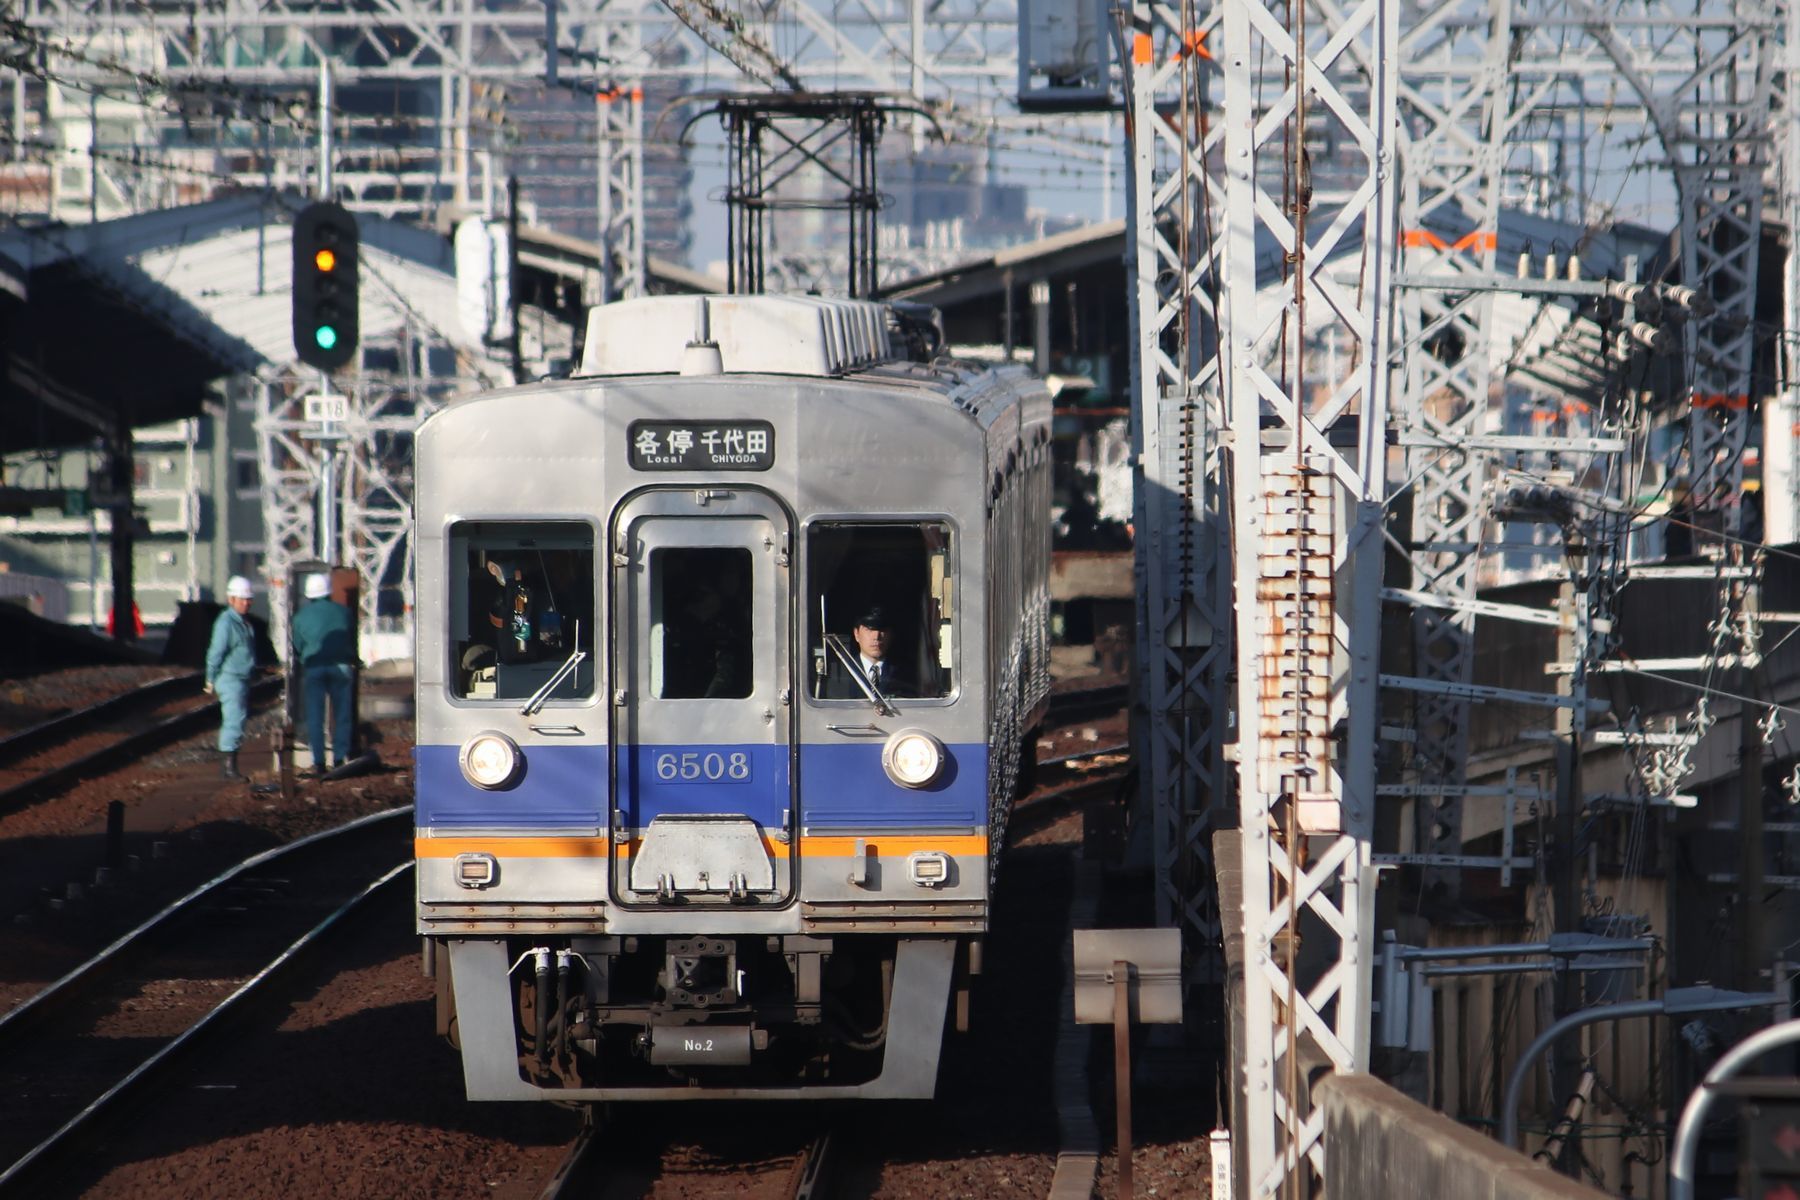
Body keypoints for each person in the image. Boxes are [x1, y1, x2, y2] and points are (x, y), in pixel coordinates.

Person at [292, 572, 356, 774]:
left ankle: (318, 762)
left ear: (309, 595)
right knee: (342, 715)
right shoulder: (344, 612)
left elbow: (298, 646)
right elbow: (351, 638)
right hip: (341, 667)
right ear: (329, 592)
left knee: (315, 716)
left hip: (314, 668)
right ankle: (339, 759)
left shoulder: (301, 617)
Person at [205, 575, 258, 780]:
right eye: (242, 599)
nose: (246, 603)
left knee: (239, 719)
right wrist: (210, 677)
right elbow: (216, 652)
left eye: (248, 599)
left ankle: (230, 764)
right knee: (234, 720)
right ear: (231, 599)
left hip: (241, 677)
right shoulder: (226, 623)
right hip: (230, 678)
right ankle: (228, 768)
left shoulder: (242, 622)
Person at [823, 605, 913, 699]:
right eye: (869, 630)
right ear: (856, 634)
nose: (876, 637)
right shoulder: (840, 673)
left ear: (891, 634)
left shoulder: (904, 674)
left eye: (882, 630)